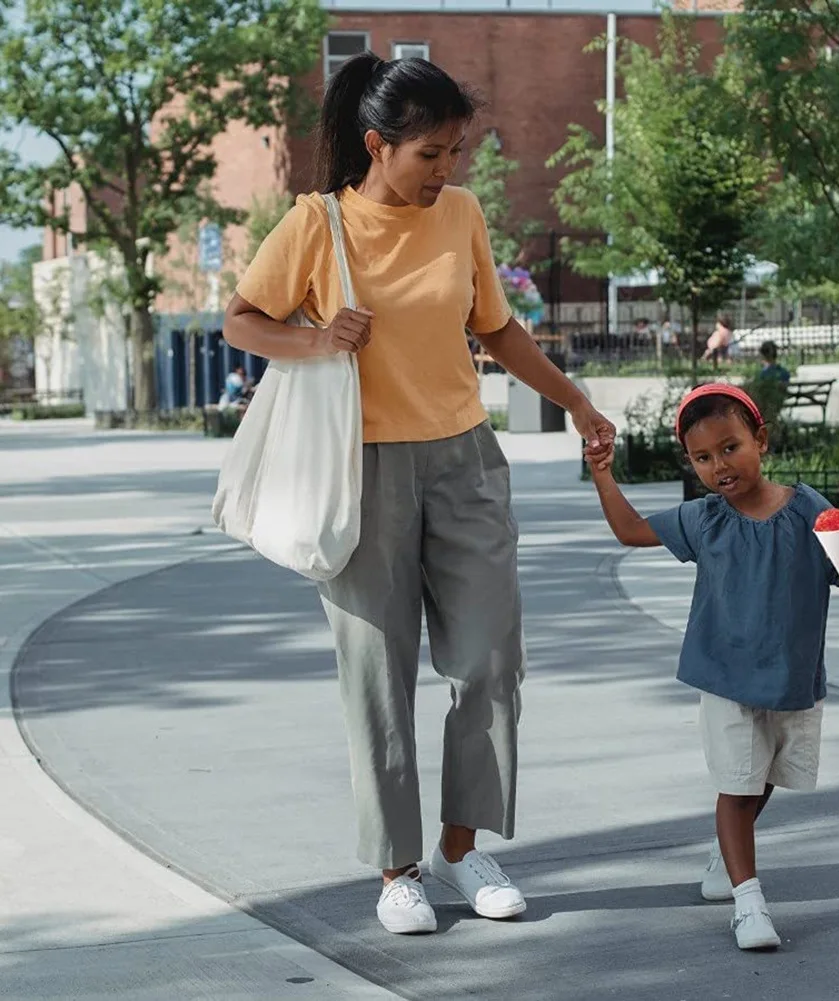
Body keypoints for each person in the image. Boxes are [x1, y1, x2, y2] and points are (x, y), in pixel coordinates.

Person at [221, 53, 615, 935]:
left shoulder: (463, 215)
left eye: (455, 152)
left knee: (487, 661)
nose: (446, 171)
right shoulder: (316, 225)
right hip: (359, 471)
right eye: (430, 155)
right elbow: (241, 320)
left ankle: (459, 845)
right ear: (377, 144)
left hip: (464, 460)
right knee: (379, 671)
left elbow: (498, 330)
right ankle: (397, 868)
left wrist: (576, 399)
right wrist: (321, 339)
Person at [584, 383, 839, 951]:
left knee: (761, 779)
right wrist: (603, 473)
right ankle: (749, 904)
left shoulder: (808, 508)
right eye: (703, 457)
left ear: (760, 441)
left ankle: (728, 860)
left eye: (730, 448)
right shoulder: (704, 520)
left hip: (791, 677)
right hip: (724, 676)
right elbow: (629, 531)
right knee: (736, 787)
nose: (719, 465)